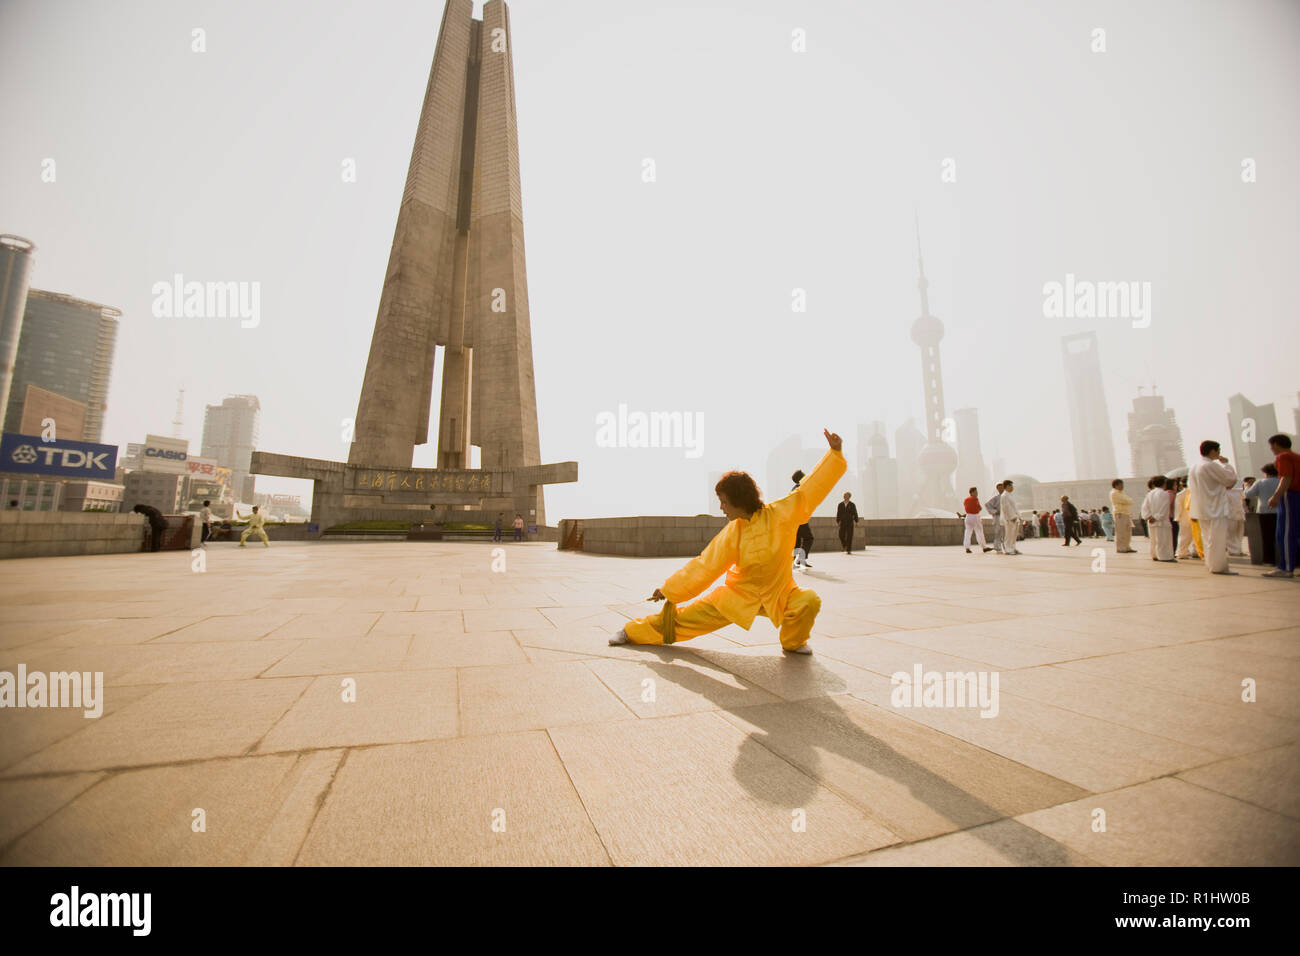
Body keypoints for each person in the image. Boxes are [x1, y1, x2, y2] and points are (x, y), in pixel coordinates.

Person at [609, 427, 846, 655]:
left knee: (808, 601)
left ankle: (793, 643)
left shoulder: (781, 513)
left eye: (723, 501)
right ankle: (631, 632)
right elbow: (705, 566)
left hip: (780, 593)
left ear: (739, 499)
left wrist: (834, 454)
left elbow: (810, 489)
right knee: (684, 619)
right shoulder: (734, 532)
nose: (721, 507)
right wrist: (669, 589)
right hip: (738, 596)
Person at [1188, 440, 1238, 574]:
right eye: (1218, 450)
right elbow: (1230, 480)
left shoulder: (1194, 466)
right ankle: (1218, 567)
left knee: (1208, 539)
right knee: (1218, 540)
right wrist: (1226, 464)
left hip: (1202, 508)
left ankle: (1211, 564)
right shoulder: (1210, 465)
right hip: (1215, 508)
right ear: (1212, 451)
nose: (1219, 453)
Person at [1264, 434, 1300, 578]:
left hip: (1290, 496)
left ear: (1277, 444)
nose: (1271, 449)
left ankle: (1285, 568)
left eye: (1271, 446)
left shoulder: (1283, 457)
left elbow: (1286, 477)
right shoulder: (1297, 457)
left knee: (1285, 533)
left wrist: (1276, 496)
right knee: (1296, 532)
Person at [1245, 464, 1279, 566]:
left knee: (1267, 537)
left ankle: (1269, 560)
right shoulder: (1281, 481)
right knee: (1283, 537)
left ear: (1266, 473)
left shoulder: (1260, 482)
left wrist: (1247, 486)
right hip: (1280, 511)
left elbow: (1248, 494)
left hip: (1265, 512)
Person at [1141, 476, 1175, 561]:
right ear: (1164, 483)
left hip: (1151, 521)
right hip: (1161, 521)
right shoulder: (1164, 493)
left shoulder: (1150, 493)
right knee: (1164, 540)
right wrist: (1156, 517)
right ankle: (1165, 556)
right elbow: (1164, 508)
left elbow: (1144, 507)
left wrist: (1148, 516)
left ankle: (1155, 555)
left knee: (1154, 540)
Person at [791, 470, 814, 569]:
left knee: (797, 540)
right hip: (800, 518)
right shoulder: (800, 488)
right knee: (809, 538)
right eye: (804, 474)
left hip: (795, 518)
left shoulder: (795, 488)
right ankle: (800, 559)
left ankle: (794, 560)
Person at [961, 487, 993, 553]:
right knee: (979, 532)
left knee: (967, 533)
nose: (977, 493)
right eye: (975, 492)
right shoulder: (975, 499)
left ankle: (967, 547)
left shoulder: (966, 499)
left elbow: (967, 508)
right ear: (972, 493)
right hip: (975, 516)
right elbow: (979, 508)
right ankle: (984, 547)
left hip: (968, 516)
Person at [1110, 479, 1136, 553]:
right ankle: (1121, 548)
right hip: (1119, 513)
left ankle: (1127, 546)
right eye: (1120, 485)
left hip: (1126, 513)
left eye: (1122, 485)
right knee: (1121, 532)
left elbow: (1130, 501)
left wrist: (1127, 501)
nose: (1122, 486)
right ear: (1116, 485)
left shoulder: (1122, 493)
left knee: (1128, 531)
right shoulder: (1114, 493)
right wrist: (1127, 501)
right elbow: (1126, 501)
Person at [1174, 479, 1198, 559]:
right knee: (1196, 536)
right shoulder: (1195, 492)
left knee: (1184, 537)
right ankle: (1196, 551)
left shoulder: (1180, 494)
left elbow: (1178, 508)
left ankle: (1182, 552)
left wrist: (1177, 518)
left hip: (1184, 518)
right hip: (1196, 517)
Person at [1000, 479, 1021, 554]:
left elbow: (1014, 507)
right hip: (1009, 518)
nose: (1012, 487)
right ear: (1007, 486)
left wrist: (1018, 515)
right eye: (1011, 486)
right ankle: (1008, 549)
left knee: (1014, 534)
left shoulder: (1009, 495)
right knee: (1009, 534)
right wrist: (1012, 517)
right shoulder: (1004, 495)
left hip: (1014, 517)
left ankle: (1013, 548)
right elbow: (1006, 508)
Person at [1226, 481, 1246, 557]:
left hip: (1239, 514)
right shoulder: (1222, 492)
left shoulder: (1238, 491)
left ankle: (1238, 549)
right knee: (1230, 534)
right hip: (1229, 515)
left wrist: (1245, 510)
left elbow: (1243, 502)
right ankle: (1233, 550)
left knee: (1239, 533)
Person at [985, 482, 1006, 553]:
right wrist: (995, 511)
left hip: (1005, 517)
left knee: (1005, 533)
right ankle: (997, 547)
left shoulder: (1006, 496)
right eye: (999, 488)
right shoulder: (996, 498)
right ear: (997, 489)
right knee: (998, 532)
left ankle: (1006, 547)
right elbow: (987, 505)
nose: (1001, 489)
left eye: (1002, 488)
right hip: (998, 517)